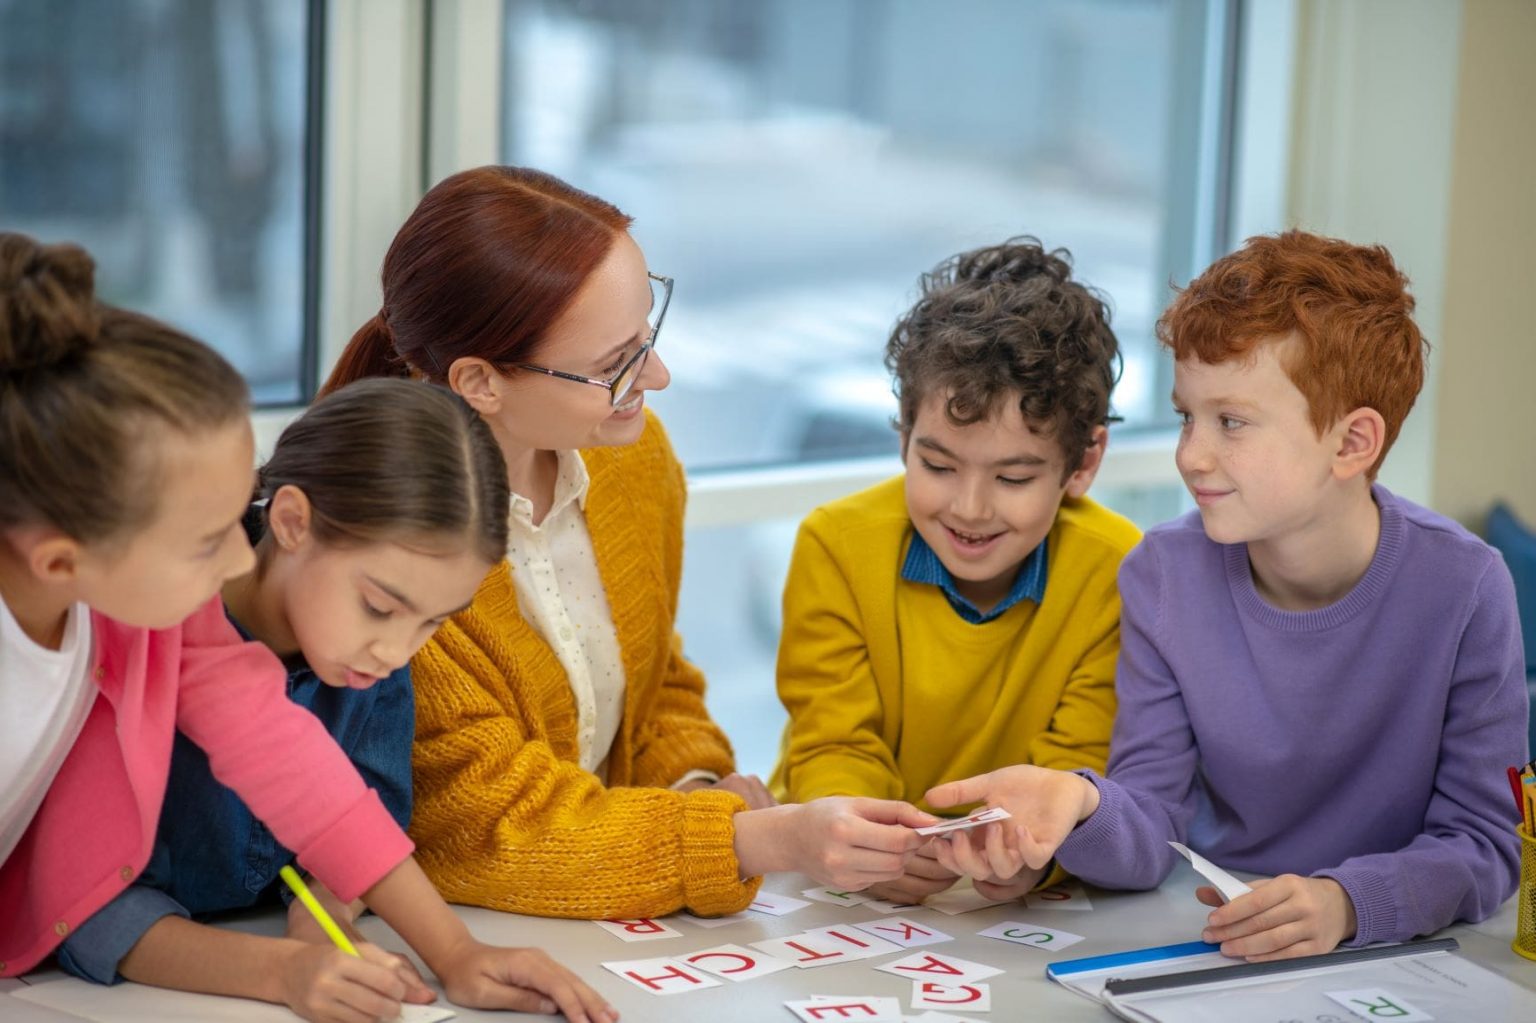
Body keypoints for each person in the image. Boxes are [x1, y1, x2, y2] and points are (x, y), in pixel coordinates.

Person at [0, 233, 615, 1023]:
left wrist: (456, 952)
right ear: (60, 560)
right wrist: (280, 969)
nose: (235, 559)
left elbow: (296, 766)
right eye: (206, 536)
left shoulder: (158, 618)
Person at [321, 165, 934, 919]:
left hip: (611, 921)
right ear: (480, 381)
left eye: (647, 334)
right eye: (614, 366)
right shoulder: (393, 556)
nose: (661, 375)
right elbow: (494, 831)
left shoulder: (633, 461)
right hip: (472, 929)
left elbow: (654, 677)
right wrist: (753, 841)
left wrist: (699, 786)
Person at [926, 230, 1528, 960]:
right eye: (1187, 415)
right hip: (1212, 934)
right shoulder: (1163, 575)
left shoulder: (1465, 587)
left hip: (1394, 955)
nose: (1191, 454)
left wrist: (1346, 902)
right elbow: (1152, 822)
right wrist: (1081, 804)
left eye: (1231, 422)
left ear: (1351, 443)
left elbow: (1485, 843)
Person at [770, 239, 1139, 904]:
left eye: (1014, 476)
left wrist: (1035, 853)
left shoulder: (1120, 571)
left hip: (1014, 901)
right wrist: (860, 830)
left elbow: (1079, 768)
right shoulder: (835, 544)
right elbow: (833, 741)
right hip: (843, 880)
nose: (969, 508)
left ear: (1083, 464)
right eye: (937, 466)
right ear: (905, 432)